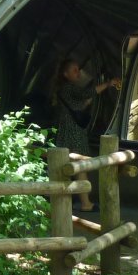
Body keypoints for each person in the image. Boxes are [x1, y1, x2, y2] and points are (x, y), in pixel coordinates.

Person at [52, 57, 121, 211]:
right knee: (80, 166)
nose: (78, 72)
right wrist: (108, 84)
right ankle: (86, 204)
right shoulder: (69, 87)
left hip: (67, 131)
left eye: (78, 69)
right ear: (65, 74)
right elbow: (87, 93)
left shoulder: (64, 89)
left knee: (67, 166)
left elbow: (79, 103)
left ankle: (62, 201)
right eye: (74, 70)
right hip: (74, 132)